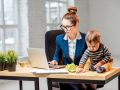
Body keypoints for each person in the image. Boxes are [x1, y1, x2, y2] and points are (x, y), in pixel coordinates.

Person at [51, 6, 96, 90]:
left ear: (76, 24)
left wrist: (85, 67)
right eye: (63, 26)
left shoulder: (86, 38)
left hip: (83, 73)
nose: (65, 29)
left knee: (84, 86)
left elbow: (92, 56)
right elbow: (57, 55)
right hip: (67, 74)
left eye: (68, 26)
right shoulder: (59, 39)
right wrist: (55, 60)